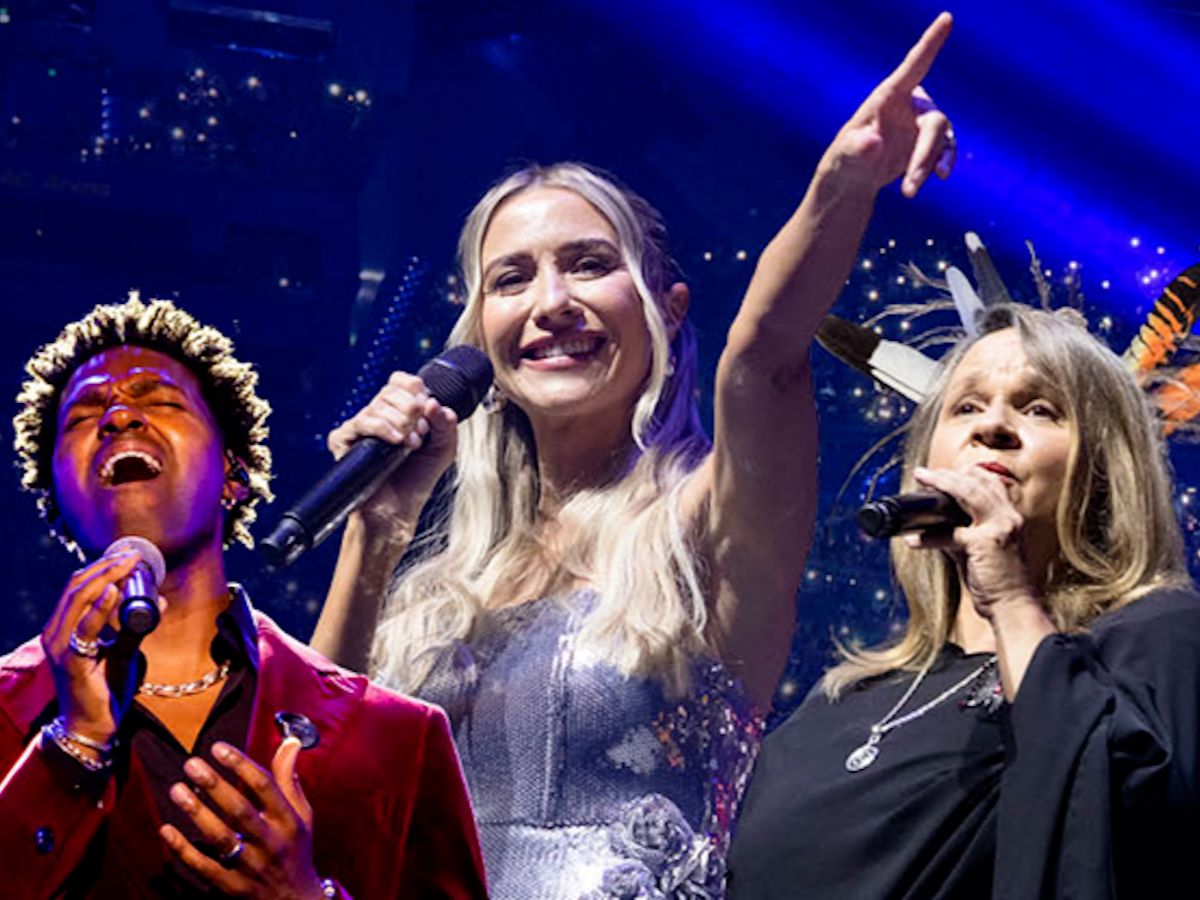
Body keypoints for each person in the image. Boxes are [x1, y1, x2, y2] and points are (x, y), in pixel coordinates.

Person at [312, 14, 956, 898]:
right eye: (512, 279)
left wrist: (841, 185)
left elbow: (764, 360)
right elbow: (316, 773)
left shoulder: (706, 525)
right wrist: (376, 531)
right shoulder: (435, 591)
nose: (551, 302)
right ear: (479, 339)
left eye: (588, 265)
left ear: (667, 308)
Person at [0, 295, 487, 899]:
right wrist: (72, 747)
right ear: (55, 499)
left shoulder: (396, 735)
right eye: (82, 416)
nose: (119, 416)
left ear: (233, 475)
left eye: (160, 401)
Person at [727, 303, 1200, 898]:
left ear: (1106, 470)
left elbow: (1127, 824)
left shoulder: (1161, 637)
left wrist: (1009, 596)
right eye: (967, 407)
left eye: (1039, 409)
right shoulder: (841, 700)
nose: (992, 426)